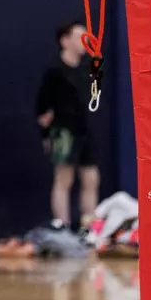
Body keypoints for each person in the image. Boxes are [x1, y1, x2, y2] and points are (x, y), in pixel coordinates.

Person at [35, 21, 100, 231]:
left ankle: (88, 227)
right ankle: (62, 225)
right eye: (79, 37)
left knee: (91, 177)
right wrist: (47, 135)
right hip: (63, 131)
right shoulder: (55, 71)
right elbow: (42, 109)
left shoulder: (86, 69)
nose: (84, 42)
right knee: (64, 178)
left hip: (84, 129)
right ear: (65, 40)